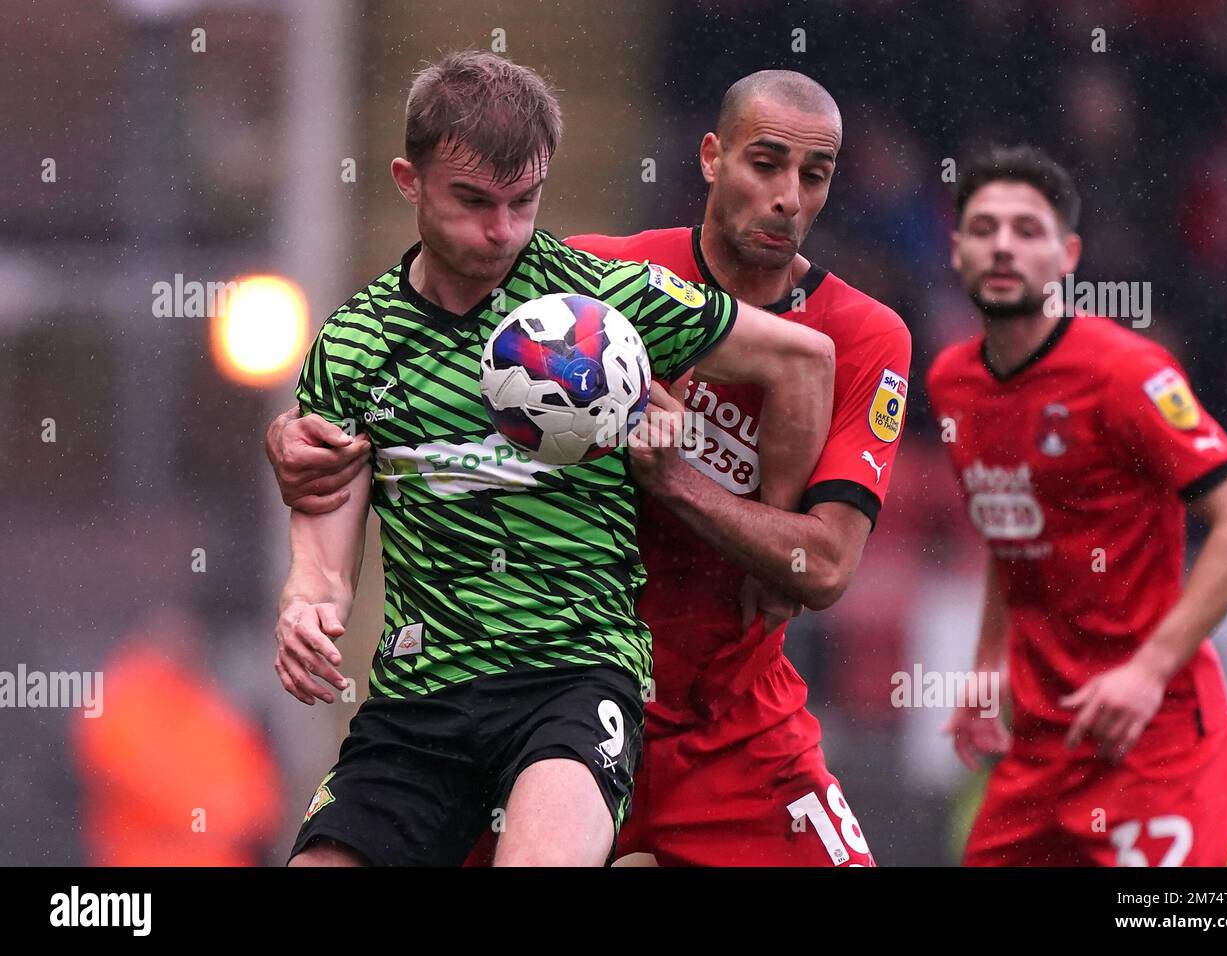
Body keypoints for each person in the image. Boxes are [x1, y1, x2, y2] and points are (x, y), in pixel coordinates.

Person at [272, 69, 910, 867]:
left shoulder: (635, 303)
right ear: (711, 158)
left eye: (812, 176)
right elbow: (371, 457)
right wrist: (294, 448)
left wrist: (694, 488)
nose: (788, 197)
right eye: (766, 163)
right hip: (465, 690)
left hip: (692, 712)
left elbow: (820, 563)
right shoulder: (565, 313)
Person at [926, 145, 1227, 866]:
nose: (1003, 245)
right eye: (985, 228)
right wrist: (989, 660)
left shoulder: (1127, 375)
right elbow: (1012, 525)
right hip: (1038, 749)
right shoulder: (950, 382)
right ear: (957, 251)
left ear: (1068, 255)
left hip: (1154, 742)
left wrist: (1148, 670)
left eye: (1028, 230)